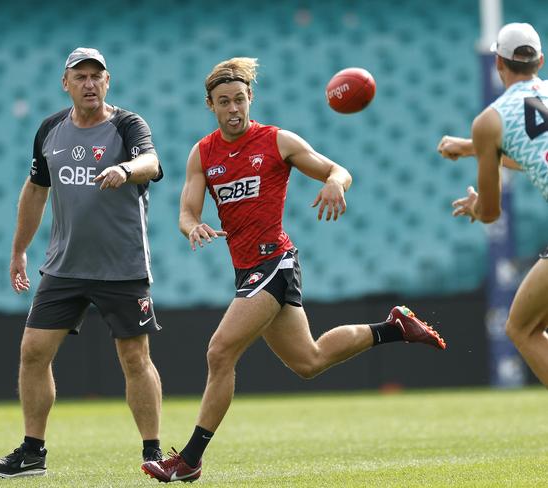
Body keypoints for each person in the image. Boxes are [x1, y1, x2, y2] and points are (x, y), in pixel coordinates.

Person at [141, 57, 446, 483]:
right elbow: (186, 212)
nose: (233, 108)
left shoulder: (276, 141)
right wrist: (194, 227)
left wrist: (336, 182)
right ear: (209, 105)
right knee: (309, 360)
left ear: (251, 99)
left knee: (219, 352)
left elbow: (337, 169)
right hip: (247, 268)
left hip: (274, 262)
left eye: (240, 99)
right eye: (223, 101)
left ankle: (189, 459)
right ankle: (394, 327)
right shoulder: (202, 153)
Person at [0, 47, 164, 478]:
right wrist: (18, 250)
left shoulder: (127, 124)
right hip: (64, 267)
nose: (88, 83)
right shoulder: (50, 129)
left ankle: (153, 453)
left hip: (122, 266)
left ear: (108, 82)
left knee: (135, 359)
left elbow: (152, 162)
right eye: (79, 76)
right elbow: (35, 190)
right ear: (65, 83)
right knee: (32, 352)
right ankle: (32, 452)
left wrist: (126, 169)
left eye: (95, 76)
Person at [437, 23, 548, 385]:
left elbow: (491, 212)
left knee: (521, 327)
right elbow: (534, 156)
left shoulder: (490, 121)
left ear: (497, 63)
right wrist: (473, 147)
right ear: (541, 61)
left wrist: (475, 206)